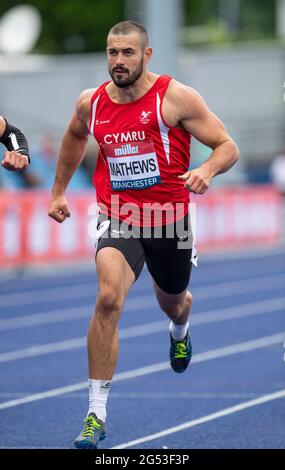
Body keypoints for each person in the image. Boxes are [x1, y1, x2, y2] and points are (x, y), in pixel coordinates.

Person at [48, 20, 239, 449]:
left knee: (172, 301)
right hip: (119, 215)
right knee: (108, 297)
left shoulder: (176, 98)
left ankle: (181, 327)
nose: (118, 61)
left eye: (127, 53)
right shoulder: (91, 102)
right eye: (112, 52)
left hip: (170, 218)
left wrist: (207, 169)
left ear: (146, 55)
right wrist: (58, 190)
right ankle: (96, 414)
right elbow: (74, 137)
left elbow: (227, 145)